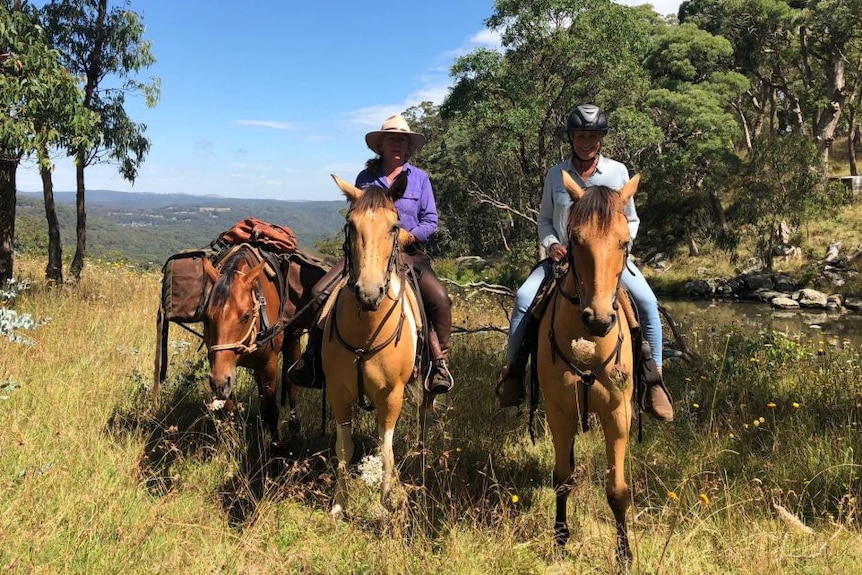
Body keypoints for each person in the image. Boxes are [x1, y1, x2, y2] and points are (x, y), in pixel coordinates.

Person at [495, 103, 674, 422]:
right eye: (580, 135)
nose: (586, 142)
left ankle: (654, 381)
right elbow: (546, 221)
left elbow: (631, 219)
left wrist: (622, 245)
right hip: (565, 259)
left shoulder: (618, 172)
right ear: (571, 138)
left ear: (601, 138)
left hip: (610, 260)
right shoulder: (556, 176)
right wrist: (551, 245)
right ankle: (514, 374)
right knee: (524, 299)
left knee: (647, 302)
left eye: (592, 135)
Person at [286, 114, 455, 394]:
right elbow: (357, 217)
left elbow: (431, 221)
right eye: (392, 139)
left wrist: (408, 236)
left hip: (408, 253)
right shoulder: (366, 178)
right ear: (381, 146)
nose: (397, 144)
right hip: (365, 252)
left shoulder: (420, 180)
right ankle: (313, 358)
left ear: (409, 147)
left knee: (438, 299)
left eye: (402, 140)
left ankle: (439, 362)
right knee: (319, 292)